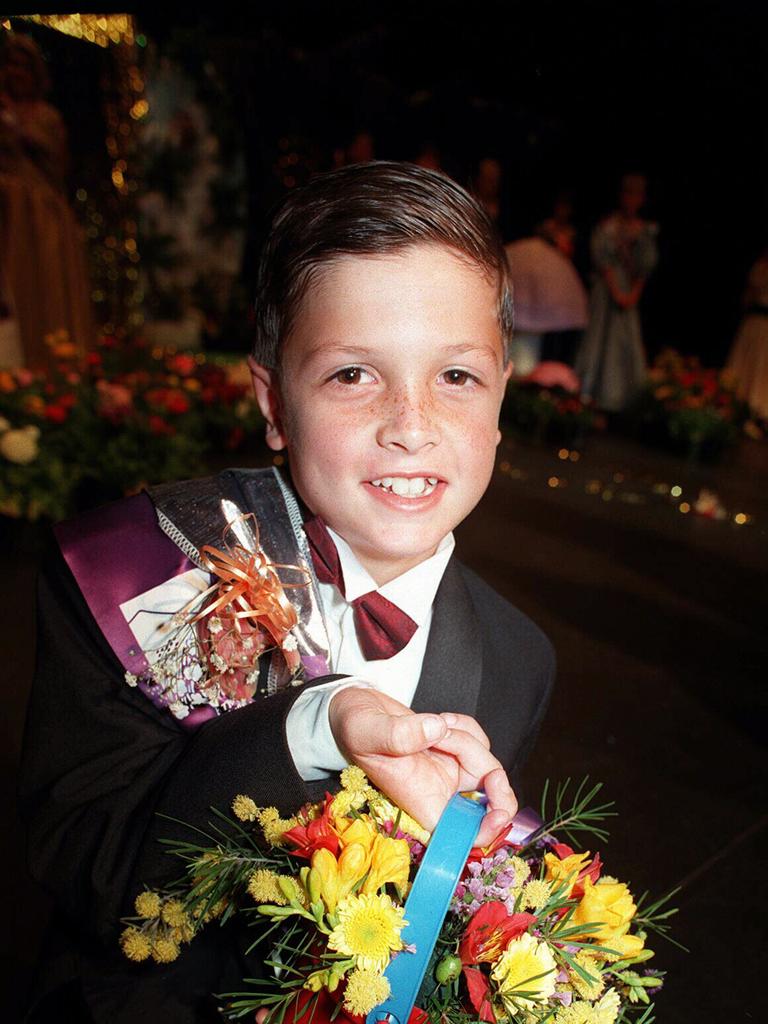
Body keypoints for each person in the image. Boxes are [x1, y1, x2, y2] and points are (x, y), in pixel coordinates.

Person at [19, 162, 555, 1023]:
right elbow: (94, 871)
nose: (411, 424)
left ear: (500, 403)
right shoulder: (143, 579)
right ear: (273, 402)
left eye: (456, 377)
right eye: (353, 375)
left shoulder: (521, 656)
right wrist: (314, 725)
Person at [0, 33, 94, 368]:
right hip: (5, 215)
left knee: (44, 289)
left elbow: (57, 163)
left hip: (39, 218)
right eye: (10, 64)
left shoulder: (46, 117)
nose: (15, 73)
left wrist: (15, 126)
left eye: (23, 66)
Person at [575, 173, 658, 411]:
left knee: (623, 343)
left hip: (629, 293)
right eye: (628, 194)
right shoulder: (608, 227)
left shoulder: (644, 231)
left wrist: (632, 294)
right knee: (599, 339)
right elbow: (604, 262)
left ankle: (620, 403)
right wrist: (617, 291)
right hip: (607, 291)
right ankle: (588, 395)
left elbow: (644, 268)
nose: (631, 200)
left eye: (637, 195)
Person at [725, 247, 768, 420]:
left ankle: (756, 407)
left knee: (761, 366)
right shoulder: (760, 266)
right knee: (746, 361)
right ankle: (737, 403)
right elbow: (749, 294)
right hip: (754, 321)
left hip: (765, 322)